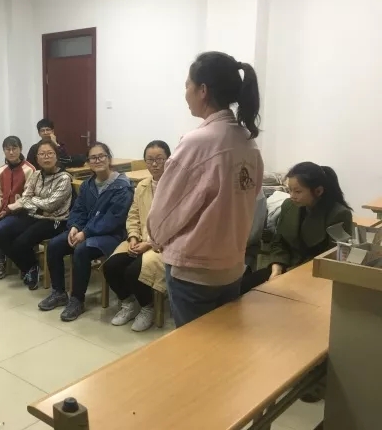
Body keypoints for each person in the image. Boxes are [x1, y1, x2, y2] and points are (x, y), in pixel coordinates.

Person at [147, 51, 264, 328]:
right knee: (221, 345)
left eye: (187, 85)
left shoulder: (198, 142)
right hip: (231, 265)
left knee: (193, 346)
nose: (185, 93)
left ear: (202, 90)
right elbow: (252, 198)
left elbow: (166, 210)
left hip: (194, 270)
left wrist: (155, 238)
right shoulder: (247, 142)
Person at [38, 142, 133, 322]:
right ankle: (59, 292)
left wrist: (85, 233)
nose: (97, 160)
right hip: (87, 231)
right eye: (93, 158)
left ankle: (77, 300)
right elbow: (78, 210)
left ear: (109, 158)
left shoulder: (122, 186)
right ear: (88, 162)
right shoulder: (87, 185)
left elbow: (113, 219)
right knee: (55, 245)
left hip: (111, 235)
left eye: (101, 156)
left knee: (81, 251)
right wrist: (75, 226)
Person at [241, 162, 353, 292]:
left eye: (298, 191)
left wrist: (290, 275)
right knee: (242, 288)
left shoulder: (339, 214)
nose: (292, 196)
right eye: (290, 190)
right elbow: (279, 242)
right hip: (284, 267)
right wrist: (277, 269)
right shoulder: (289, 205)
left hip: (315, 276)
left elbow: (333, 257)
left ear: (318, 191)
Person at [102, 140, 170, 332]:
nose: (154, 164)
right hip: (140, 239)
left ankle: (147, 307)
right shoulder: (142, 186)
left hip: (163, 245)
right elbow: (133, 215)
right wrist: (133, 237)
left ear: (169, 160)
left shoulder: (176, 187)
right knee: (111, 266)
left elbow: (174, 224)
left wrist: (148, 244)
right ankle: (128, 303)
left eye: (159, 159)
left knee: (133, 271)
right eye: (150, 160)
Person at [0, 140, 72, 289]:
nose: (46, 157)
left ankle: (30, 267)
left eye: (50, 153)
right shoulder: (36, 175)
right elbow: (25, 197)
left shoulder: (64, 178)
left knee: (21, 242)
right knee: (0, 232)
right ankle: (28, 266)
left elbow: (51, 205)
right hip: (34, 215)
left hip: (54, 220)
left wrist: (33, 202)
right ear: (37, 158)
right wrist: (36, 205)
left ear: (56, 156)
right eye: (42, 154)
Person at [0, 136, 35, 278]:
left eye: (14, 148)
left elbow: (28, 197)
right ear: (4, 151)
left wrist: (9, 209)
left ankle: (1, 262)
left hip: (20, 213)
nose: (11, 152)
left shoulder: (29, 170)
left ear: (20, 149)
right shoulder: (1, 170)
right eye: (7, 149)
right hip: (1, 211)